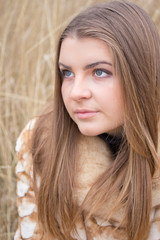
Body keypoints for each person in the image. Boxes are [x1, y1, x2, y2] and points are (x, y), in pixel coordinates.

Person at [14, 0, 160, 240]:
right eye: (67, 73)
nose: (75, 92)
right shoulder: (40, 142)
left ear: (140, 76)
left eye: (99, 72)